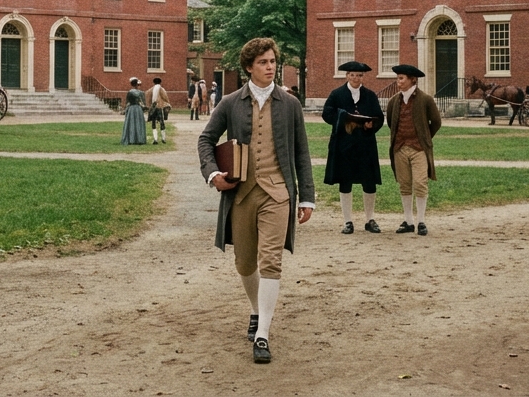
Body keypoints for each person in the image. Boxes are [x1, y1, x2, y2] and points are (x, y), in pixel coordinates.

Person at [197, 37, 314, 364]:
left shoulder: (290, 104)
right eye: (263, 62)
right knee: (245, 263)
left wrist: (307, 197)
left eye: (273, 61)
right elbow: (206, 140)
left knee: (271, 261)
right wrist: (213, 174)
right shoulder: (230, 103)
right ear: (249, 67)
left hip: (278, 193)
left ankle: (263, 334)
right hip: (242, 195)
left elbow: (302, 152)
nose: (270, 67)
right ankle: (255, 310)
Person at [321, 62, 385, 235]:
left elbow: (379, 117)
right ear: (347, 75)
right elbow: (327, 114)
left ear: (363, 77)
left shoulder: (370, 95)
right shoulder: (337, 94)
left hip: (365, 145)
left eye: (359, 75)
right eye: (353, 75)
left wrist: (371, 125)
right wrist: (344, 119)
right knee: (345, 181)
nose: (356, 78)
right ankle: (347, 221)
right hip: (344, 145)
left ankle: (370, 219)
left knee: (369, 182)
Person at [385, 65, 441, 236]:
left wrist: (424, 138)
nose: (398, 82)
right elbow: (391, 122)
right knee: (405, 184)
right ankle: (408, 221)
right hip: (400, 148)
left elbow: (436, 122)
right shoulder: (394, 101)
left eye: (402, 78)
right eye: (397, 78)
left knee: (420, 183)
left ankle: (421, 221)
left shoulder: (425, 99)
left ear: (412, 80)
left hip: (419, 149)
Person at [120, 78, 147, 145]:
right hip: (138, 109)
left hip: (131, 109)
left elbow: (127, 102)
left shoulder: (130, 92)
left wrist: (125, 109)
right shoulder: (141, 93)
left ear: (131, 84)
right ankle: (139, 139)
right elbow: (143, 102)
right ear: (137, 84)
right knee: (139, 123)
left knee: (131, 123)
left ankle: (131, 139)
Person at [146, 77, 171, 144]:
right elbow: (165, 97)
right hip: (160, 106)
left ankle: (155, 139)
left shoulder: (151, 89)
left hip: (153, 107)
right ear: (160, 82)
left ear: (153, 82)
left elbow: (147, 95)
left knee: (153, 123)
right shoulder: (161, 89)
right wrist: (168, 103)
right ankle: (163, 138)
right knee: (162, 122)